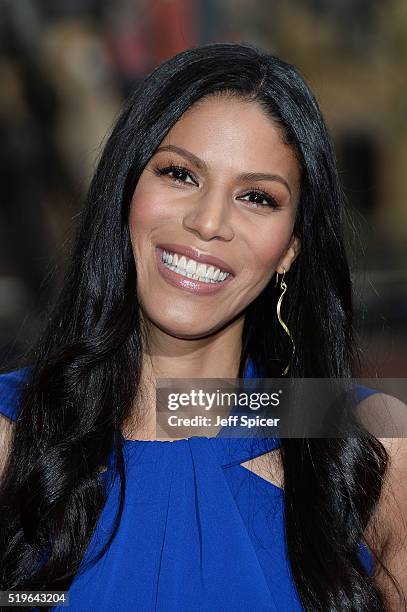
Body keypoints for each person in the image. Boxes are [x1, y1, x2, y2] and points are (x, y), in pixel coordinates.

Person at [0, 42, 406, 611]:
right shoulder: (11, 437)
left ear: (290, 247)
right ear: (125, 191)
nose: (209, 222)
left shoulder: (367, 446)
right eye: (180, 174)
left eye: (257, 197)